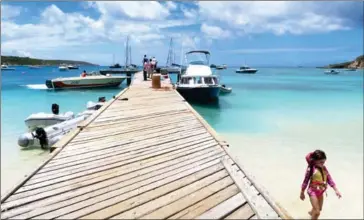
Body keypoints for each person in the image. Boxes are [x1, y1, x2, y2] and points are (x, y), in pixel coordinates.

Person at [300, 150, 341, 220]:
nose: (323, 164)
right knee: (317, 212)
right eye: (321, 162)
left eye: (324, 162)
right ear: (315, 161)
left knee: (319, 209)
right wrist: (302, 192)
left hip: (321, 192)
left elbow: (329, 179)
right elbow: (305, 181)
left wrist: (336, 190)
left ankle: (310, 213)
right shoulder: (311, 169)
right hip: (312, 192)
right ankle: (313, 214)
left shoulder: (324, 168)